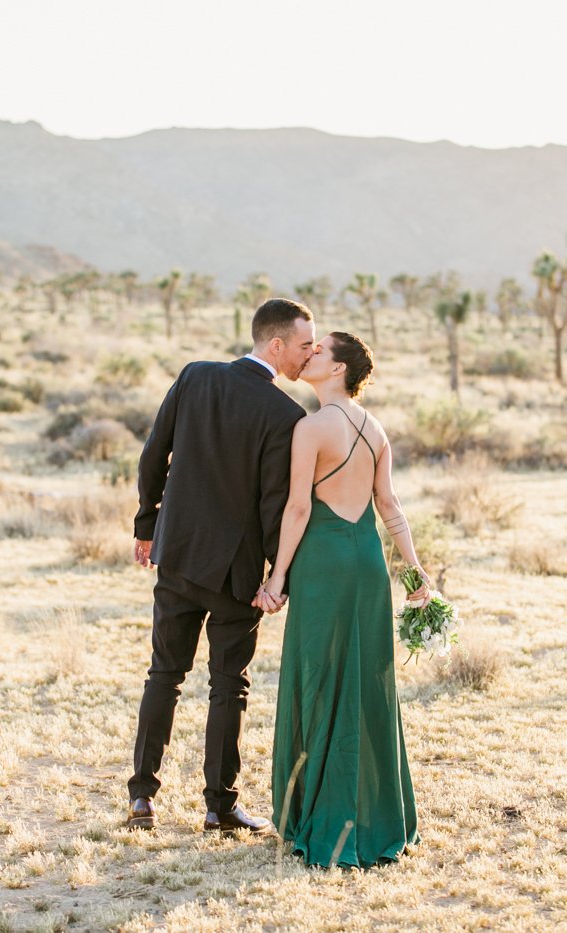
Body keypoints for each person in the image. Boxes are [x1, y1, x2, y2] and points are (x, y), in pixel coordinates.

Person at [127, 298, 317, 834]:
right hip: (235, 575)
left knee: (163, 674)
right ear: (275, 345)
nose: (312, 352)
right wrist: (279, 577)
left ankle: (142, 797)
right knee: (227, 685)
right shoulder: (285, 415)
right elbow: (273, 503)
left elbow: (153, 454)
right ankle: (219, 806)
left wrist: (147, 526)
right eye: (305, 344)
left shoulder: (195, 377)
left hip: (179, 554)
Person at [258, 332, 427, 868]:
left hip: (324, 563)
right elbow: (390, 507)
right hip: (368, 562)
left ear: (338, 370)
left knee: (319, 677)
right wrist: (418, 573)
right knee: (366, 680)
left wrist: (276, 577)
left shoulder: (310, 428)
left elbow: (298, 511)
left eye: (319, 352)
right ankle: (376, 816)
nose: (309, 356)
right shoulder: (375, 429)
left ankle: (321, 816)